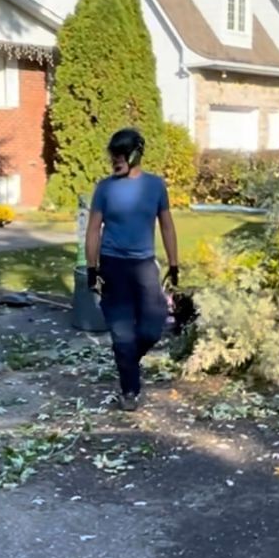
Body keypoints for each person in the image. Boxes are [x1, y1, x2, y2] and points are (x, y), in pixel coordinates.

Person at [85, 128, 180, 410]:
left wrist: (174, 264)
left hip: (144, 267)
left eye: (120, 156)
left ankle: (127, 360)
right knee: (122, 334)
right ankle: (130, 390)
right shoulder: (104, 188)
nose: (114, 161)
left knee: (153, 327)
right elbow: (92, 231)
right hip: (113, 267)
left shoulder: (155, 186)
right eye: (112, 156)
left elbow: (167, 224)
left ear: (135, 154)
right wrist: (92, 270)